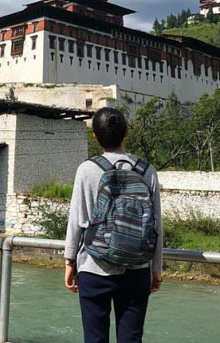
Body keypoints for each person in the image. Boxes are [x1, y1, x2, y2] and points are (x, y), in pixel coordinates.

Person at [64, 107, 163, 343]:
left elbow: (76, 220)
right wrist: (155, 269)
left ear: (95, 137)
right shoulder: (147, 170)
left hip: (94, 267)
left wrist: (70, 261)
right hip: (137, 267)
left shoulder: (87, 169)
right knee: (131, 339)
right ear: (127, 133)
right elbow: (156, 224)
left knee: (95, 339)